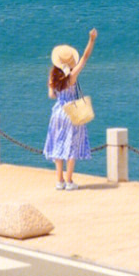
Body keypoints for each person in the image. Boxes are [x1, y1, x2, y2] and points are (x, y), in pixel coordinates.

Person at [44, 28, 97, 189]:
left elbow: (51, 95)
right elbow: (85, 57)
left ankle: (59, 180)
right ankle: (69, 180)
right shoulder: (72, 76)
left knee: (58, 144)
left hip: (58, 112)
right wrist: (92, 40)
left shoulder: (52, 76)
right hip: (71, 112)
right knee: (71, 146)